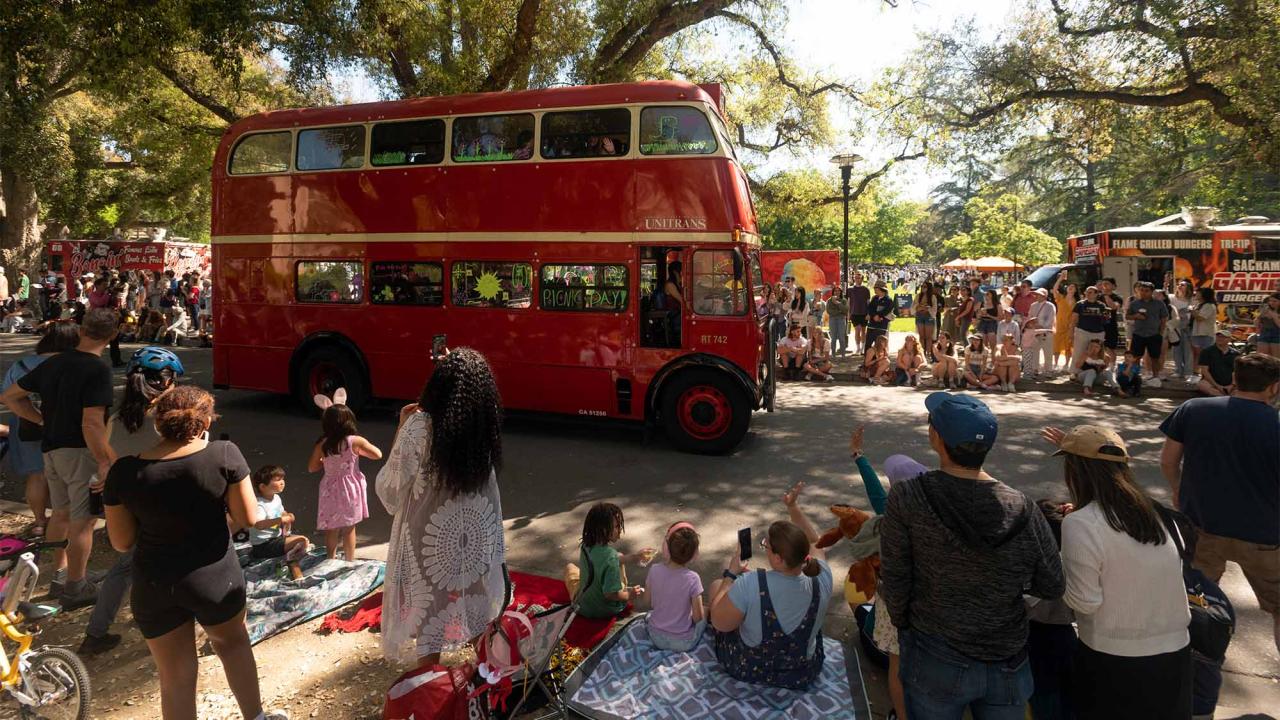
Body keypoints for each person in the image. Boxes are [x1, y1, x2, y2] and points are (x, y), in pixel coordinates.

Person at [102, 386, 287, 720]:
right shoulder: (224, 454)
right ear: (205, 423)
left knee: (174, 678)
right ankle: (255, 717)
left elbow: (121, 542)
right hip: (215, 578)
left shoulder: (124, 471)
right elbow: (249, 517)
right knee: (233, 646)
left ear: (158, 424)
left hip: (154, 583)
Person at [880, 393, 1064, 719]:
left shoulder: (908, 497)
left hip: (934, 651)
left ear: (935, 437)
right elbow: (1052, 583)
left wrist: (907, 625)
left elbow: (895, 578)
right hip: (1007, 657)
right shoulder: (1023, 508)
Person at [1043, 425, 1192, 719]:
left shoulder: (1081, 523)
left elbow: (1084, 601)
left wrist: (1058, 568)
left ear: (1075, 470)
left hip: (1114, 659)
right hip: (1176, 654)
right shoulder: (1158, 513)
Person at [376, 348, 507, 664]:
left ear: (437, 386)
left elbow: (390, 490)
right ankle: (488, 676)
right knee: (477, 605)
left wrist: (401, 429)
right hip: (472, 535)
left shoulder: (420, 426)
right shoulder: (482, 431)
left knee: (428, 611)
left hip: (429, 537)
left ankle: (428, 685)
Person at [1160, 352, 1280, 654]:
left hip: (1202, 526)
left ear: (1234, 379)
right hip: (1264, 536)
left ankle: (1193, 662)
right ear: (1273, 387)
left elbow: (1169, 460)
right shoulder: (1274, 424)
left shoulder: (1194, 409)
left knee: (1195, 601)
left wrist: (1177, 488)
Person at [1, 308, 119, 609]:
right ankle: (75, 585)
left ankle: (62, 575)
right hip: (80, 451)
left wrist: (40, 420)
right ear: (113, 335)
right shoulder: (97, 369)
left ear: (81, 330)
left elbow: (11, 396)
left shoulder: (54, 363)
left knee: (62, 514)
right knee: (84, 521)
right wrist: (105, 460)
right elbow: (92, 423)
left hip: (51, 450)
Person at [78, 345, 187, 656]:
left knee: (125, 568)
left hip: (128, 507)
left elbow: (112, 464)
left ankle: (95, 632)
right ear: (166, 382)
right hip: (168, 508)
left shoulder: (115, 420)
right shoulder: (169, 420)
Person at [709, 481, 833, 690]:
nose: (764, 548)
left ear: (777, 558)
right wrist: (793, 508)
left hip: (749, 669)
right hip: (801, 673)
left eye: (766, 546)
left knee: (716, 587)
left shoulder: (750, 583)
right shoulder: (823, 577)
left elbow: (719, 623)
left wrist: (731, 575)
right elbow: (815, 541)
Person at [849, 426, 927, 720]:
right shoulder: (939, 522)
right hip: (932, 650)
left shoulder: (889, 518)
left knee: (855, 593)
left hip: (883, 648)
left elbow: (874, 491)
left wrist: (858, 455)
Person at [0, 324, 80, 539]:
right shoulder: (76, 365)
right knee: (70, 476)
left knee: (37, 475)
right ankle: (67, 521)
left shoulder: (22, 365)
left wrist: (37, 418)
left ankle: (38, 522)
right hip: (67, 425)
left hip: (28, 424)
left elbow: (5, 396)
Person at [307, 394, 382, 560]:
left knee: (331, 526)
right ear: (349, 420)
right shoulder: (355, 441)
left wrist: (326, 463)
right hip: (350, 487)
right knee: (349, 526)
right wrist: (358, 452)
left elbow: (312, 467)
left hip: (329, 487)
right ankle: (349, 560)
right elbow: (378, 454)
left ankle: (330, 558)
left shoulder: (323, 443)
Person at [565, 503, 650, 618]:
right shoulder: (611, 558)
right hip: (605, 610)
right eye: (617, 526)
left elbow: (607, 561)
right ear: (603, 530)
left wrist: (635, 557)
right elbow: (611, 594)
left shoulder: (585, 545)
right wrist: (629, 595)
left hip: (581, 605)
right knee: (616, 561)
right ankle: (623, 587)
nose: (620, 529)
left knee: (570, 567)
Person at [646, 522, 705, 652]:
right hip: (682, 643)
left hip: (655, 636)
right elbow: (697, 617)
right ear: (694, 554)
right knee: (705, 615)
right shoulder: (693, 578)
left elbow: (648, 602)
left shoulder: (654, 570)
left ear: (667, 547)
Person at [249, 466, 311, 565]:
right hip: (263, 545)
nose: (282, 482)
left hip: (277, 538)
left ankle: (289, 552)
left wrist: (287, 515)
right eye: (277, 480)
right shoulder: (259, 505)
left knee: (304, 540)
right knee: (302, 540)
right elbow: (258, 524)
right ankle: (289, 558)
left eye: (282, 479)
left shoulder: (276, 498)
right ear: (263, 487)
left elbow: (280, 513)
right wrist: (281, 519)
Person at [1126, 281, 1168, 385]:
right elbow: (1128, 316)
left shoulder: (1159, 303)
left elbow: (1164, 318)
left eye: (1146, 291)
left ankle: (1155, 377)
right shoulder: (1134, 303)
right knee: (1136, 356)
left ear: (1152, 292)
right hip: (1138, 334)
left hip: (1154, 334)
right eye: (1141, 290)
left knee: (1155, 357)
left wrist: (1161, 332)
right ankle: (1135, 376)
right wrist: (1136, 316)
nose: (1143, 292)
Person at [1068, 286, 1109, 376]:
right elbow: (1074, 319)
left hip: (1098, 332)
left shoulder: (1102, 305)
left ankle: (1097, 371)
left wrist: (1106, 316)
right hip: (1082, 331)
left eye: (1090, 292)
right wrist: (1071, 332)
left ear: (1096, 294)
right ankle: (1074, 372)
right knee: (1078, 351)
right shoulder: (1080, 304)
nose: (1087, 294)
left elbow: (1106, 320)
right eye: (1086, 292)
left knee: (1097, 352)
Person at [1023, 288, 1056, 380]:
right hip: (1034, 333)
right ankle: (1034, 369)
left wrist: (1042, 327)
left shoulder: (1050, 306)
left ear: (1044, 296)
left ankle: (1048, 370)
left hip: (1047, 332)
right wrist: (1031, 327)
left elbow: (1051, 319)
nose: (1036, 296)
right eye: (1036, 294)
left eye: (1038, 294)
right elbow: (1030, 316)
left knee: (1048, 352)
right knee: (1035, 351)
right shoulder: (1033, 305)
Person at [1194, 331, 1239, 397]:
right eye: (1218, 336)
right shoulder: (1207, 351)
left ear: (1229, 339)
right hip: (1211, 382)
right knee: (1202, 384)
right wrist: (1217, 386)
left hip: (1229, 383)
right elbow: (1204, 371)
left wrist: (1232, 385)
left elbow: (1237, 371)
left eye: (1223, 337)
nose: (1220, 339)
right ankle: (1223, 396)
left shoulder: (1235, 354)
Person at [1170, 280, 1196, 379]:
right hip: (1175, 327)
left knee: (1188, 350)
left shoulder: (1192, 300)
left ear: (1188, 287)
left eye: (1183, 285)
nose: (1180, 286)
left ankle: (1188, 372)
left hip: (1188, 327)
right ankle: (1178, 370)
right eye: (1179, 285)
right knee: (1176, 349)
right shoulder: (1172, 298)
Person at [1052, 278, 1079, 371]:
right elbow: (1055, 289)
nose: (1071, 288)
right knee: (1056, 345)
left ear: (1076, 290)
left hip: (1070, 326)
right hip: (1059, 325)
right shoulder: (1061, 298)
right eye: (1069, 286)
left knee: (1068, 346)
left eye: (1073, 287)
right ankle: (1055, 364)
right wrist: (1060, 279)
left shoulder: (1077, 302)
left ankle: (1066, 365)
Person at [1097, 278, 1124, 353]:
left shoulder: (1117, 298)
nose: (1104, 285)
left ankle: (1111, 365)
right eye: (1103, 284)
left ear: (1114, 286)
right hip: (1098, 326)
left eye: (1107, 283)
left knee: (1110, 349)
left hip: (1110, 326)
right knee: (1098, 349)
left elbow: (1114, 307)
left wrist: (1105, 295)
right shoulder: (1097, 297)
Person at [866, 282, 894, 350]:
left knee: (879, 344)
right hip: (872, 324)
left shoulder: (888, 300)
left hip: (882, 325)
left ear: (881, 289)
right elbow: (870, 308)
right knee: (868, 343)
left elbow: (887, 310)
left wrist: (879, 316)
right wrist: (874, 316)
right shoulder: (874, 298)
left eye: (876, 288)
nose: (874, 290)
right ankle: (867, 358)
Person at [914, 282, 938, 360]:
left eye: (925, 286)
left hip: (929, 317)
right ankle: (922, 353)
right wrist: (921, 307)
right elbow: (914, 307)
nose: (923, 288)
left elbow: (934, 309)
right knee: (921, 336)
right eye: (922, 286)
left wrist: (926, 308)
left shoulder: (933, 297)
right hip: (919, 316)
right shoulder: (918, 296)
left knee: (928, 337)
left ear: (929, 288)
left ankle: (928, 354)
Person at [848, 274, 871, 353]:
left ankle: (863, 347)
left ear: (862, 279)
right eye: (856, 278)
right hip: (854, 313)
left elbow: (868, 303)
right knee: (857, 330)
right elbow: (848, 302)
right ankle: (858, 348)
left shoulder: (866, 289)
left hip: (864, 313)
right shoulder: (850, 289)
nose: (857, 279)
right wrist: (848, 313)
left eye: (859, 278)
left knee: (863, 331)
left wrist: (869, 313)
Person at [1255, 292, 1280, 359]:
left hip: (1277, 335)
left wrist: (1273, 315)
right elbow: (1256, 323)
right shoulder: (1265, 309)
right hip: (1264, 334)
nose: (1271, 303)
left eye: (1275, 301)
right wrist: (1259, 316)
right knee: (1261, 358)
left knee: (1276, 359)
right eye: (1270, 301)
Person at [827, 285, 850, 355]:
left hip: (841, 319)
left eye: (838, 291)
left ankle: (843, 354)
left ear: (841, 292)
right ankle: (833, 354)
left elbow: (846, 310)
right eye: (835, 291)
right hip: (832, 319)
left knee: (841, 337)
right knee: (833, 338)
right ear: (833, 292)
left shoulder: (844, 300)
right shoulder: (829, 300)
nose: (837, 292)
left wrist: (838, 303)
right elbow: (829, 311)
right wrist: (839, 311)